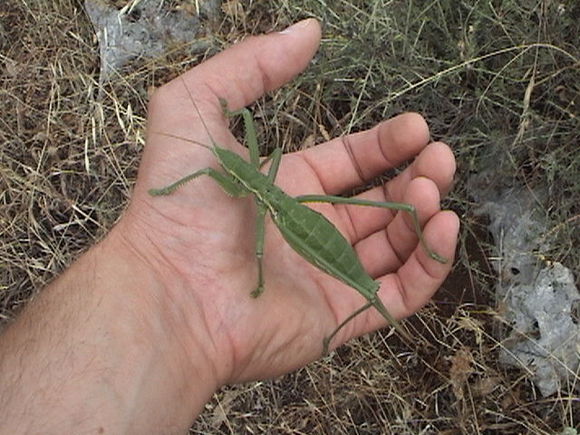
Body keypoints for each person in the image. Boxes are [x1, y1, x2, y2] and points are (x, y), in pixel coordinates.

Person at [0, 19, 459, 434]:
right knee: (360, 272)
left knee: (351, 240)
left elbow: (236, 189)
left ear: (239, 178)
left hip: (295, 216)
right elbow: (220, 168)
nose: (220, 167)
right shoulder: (246, 185)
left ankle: (415, 243)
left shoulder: (247, 191)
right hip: (286, 207)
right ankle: (383, 276)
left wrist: (238, 114)